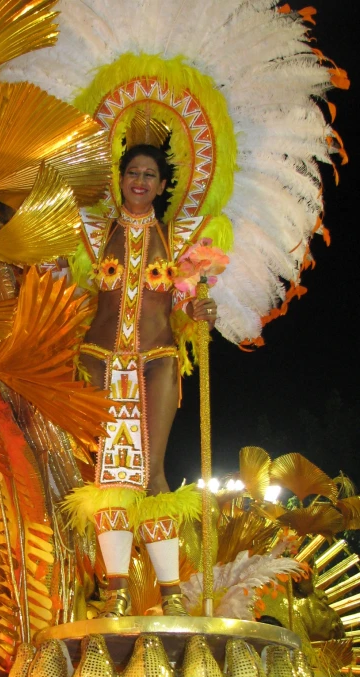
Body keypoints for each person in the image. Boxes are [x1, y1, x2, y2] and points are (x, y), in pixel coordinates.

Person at [66, 143, 218, 618]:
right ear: (120, 178)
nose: (140, 180)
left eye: (150, 174)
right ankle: (115, 592)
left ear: (162, 184)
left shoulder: (179, 238)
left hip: (157, 361)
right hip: (99, 360)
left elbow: (186, 309)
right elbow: (40, 255)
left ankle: (171, 594)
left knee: (151, 472)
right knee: (107, 472)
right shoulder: (94, 233)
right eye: (133, 171)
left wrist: (200, 311)